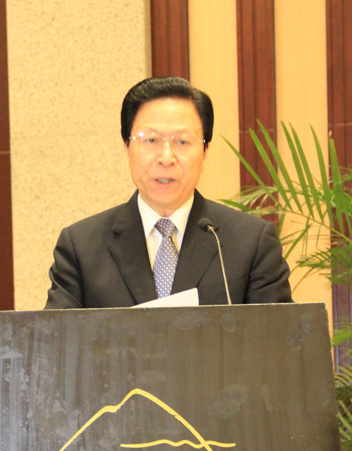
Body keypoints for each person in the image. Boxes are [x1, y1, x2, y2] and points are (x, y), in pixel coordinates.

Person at [45, 76, 292, 309]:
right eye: (151, 140)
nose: (166, 157)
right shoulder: (81, 247)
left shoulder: (251, 244)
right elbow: (57, 337)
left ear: (205, 151)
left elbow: (279, 336)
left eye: (182, 141)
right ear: (127, 147)